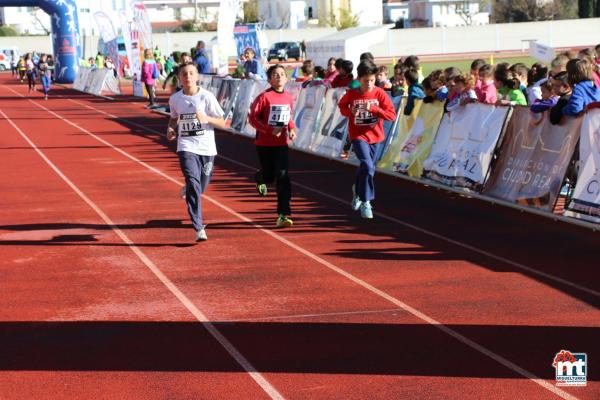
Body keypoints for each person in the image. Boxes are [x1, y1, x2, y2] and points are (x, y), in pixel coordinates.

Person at [166, 61, 227, 242]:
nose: (188, 77)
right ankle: (198, 226)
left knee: (202, 185)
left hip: (207, 148)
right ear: (179, 78)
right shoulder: (175, 99)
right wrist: (170, 129)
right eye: (184, 74)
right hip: (186, 146)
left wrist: (206, 118)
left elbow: (223, 122)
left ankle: (190, 188)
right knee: (194, 184)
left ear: (197, 76)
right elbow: (173, 118)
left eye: (191, 73)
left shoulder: (207, 97)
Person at [338, 60, 397, 219]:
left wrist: (375, 109)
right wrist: (351, 112)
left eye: (372, 80)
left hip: (375, 136)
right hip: (358, 135)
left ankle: (357, 190)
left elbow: (392, 115)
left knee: (366, 167)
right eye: (366, 81)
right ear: (359, 79)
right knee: (368, 165)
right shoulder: (352, 93)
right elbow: (342, 106)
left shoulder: (379, 93)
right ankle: (366, 202)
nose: (370, 84)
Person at [248, 64, 297, 228]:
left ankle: (283, 214)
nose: (279, 77)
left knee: (283, 176)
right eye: (275, 75)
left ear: (286, 78)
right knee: (269, 177)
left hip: (281, 144)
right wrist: (270, 130)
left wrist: (291, 129)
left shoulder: (289, 97)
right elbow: (253, 118)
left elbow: (288, 117)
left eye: (282, 74)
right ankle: (260, 177)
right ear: (269, 79)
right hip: (264, 144)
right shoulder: (264, 97)